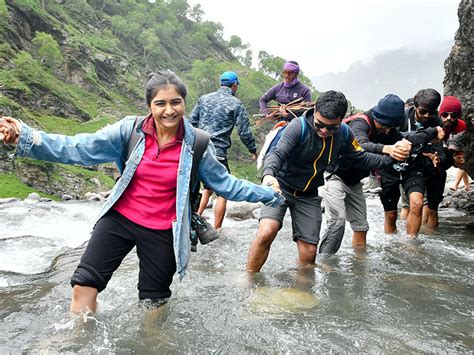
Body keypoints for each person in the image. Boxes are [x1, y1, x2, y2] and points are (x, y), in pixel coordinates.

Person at [0, 70, 283, 313]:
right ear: (150, 105)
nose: (169, 110)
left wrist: (268, 192)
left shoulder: (197, 143)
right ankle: (76, 340)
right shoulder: (129, 130)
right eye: (160, 103)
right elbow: (79, 148)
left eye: (176, 102)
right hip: (120, 219)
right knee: (84, 283)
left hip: (163, 229)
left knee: (153, 302)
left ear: (185, 103)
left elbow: (226, 184)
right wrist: (26, 136)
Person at [246, 91, 396, 272]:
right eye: (320, 125)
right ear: (315, 111)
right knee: (266, 232)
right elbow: (278, 153)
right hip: (280, 187)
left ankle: (301, 295)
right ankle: (249, 278)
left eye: (331, 128)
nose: (324, 131)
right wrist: (268, 175)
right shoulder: (297, 127)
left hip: (308, 196)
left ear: (341, 120)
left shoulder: (344, 133)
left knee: (309, 254)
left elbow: (361, 158)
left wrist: (392, 157)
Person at [347, 94, 444, 238]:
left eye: (391, 127)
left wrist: (432, 132)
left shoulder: (389, 129)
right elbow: (360, 144)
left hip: (409, 170)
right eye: (384, 126)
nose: (387, 131)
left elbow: (406, 137)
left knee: (416, 203)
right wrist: (387, 149)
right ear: (376, 118)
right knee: (390, 215)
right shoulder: (360, 123)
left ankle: (411, 246)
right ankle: (389, 244)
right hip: (344, 176)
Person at [189, 71, 257, 230]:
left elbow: (192, 122)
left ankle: (196, 218)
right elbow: (244, 131)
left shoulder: (204, 99)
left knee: (206, 187)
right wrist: (253, 149)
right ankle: (217, 229)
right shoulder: (236, 104)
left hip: (198, 149)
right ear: (234, 85)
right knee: (223, 193)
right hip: (218, 153)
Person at [399, 89, 444, 222]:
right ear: (415, 106)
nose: (427, 116)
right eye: (423, 111)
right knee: (406, 205)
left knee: (420, 204)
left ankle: (423, 235)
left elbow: (439, 150)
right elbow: (394, 138)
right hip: (402, 166)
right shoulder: (403, 117)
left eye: (431, 112)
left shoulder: (436, 121)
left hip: (424, 168)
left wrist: (437, 158)